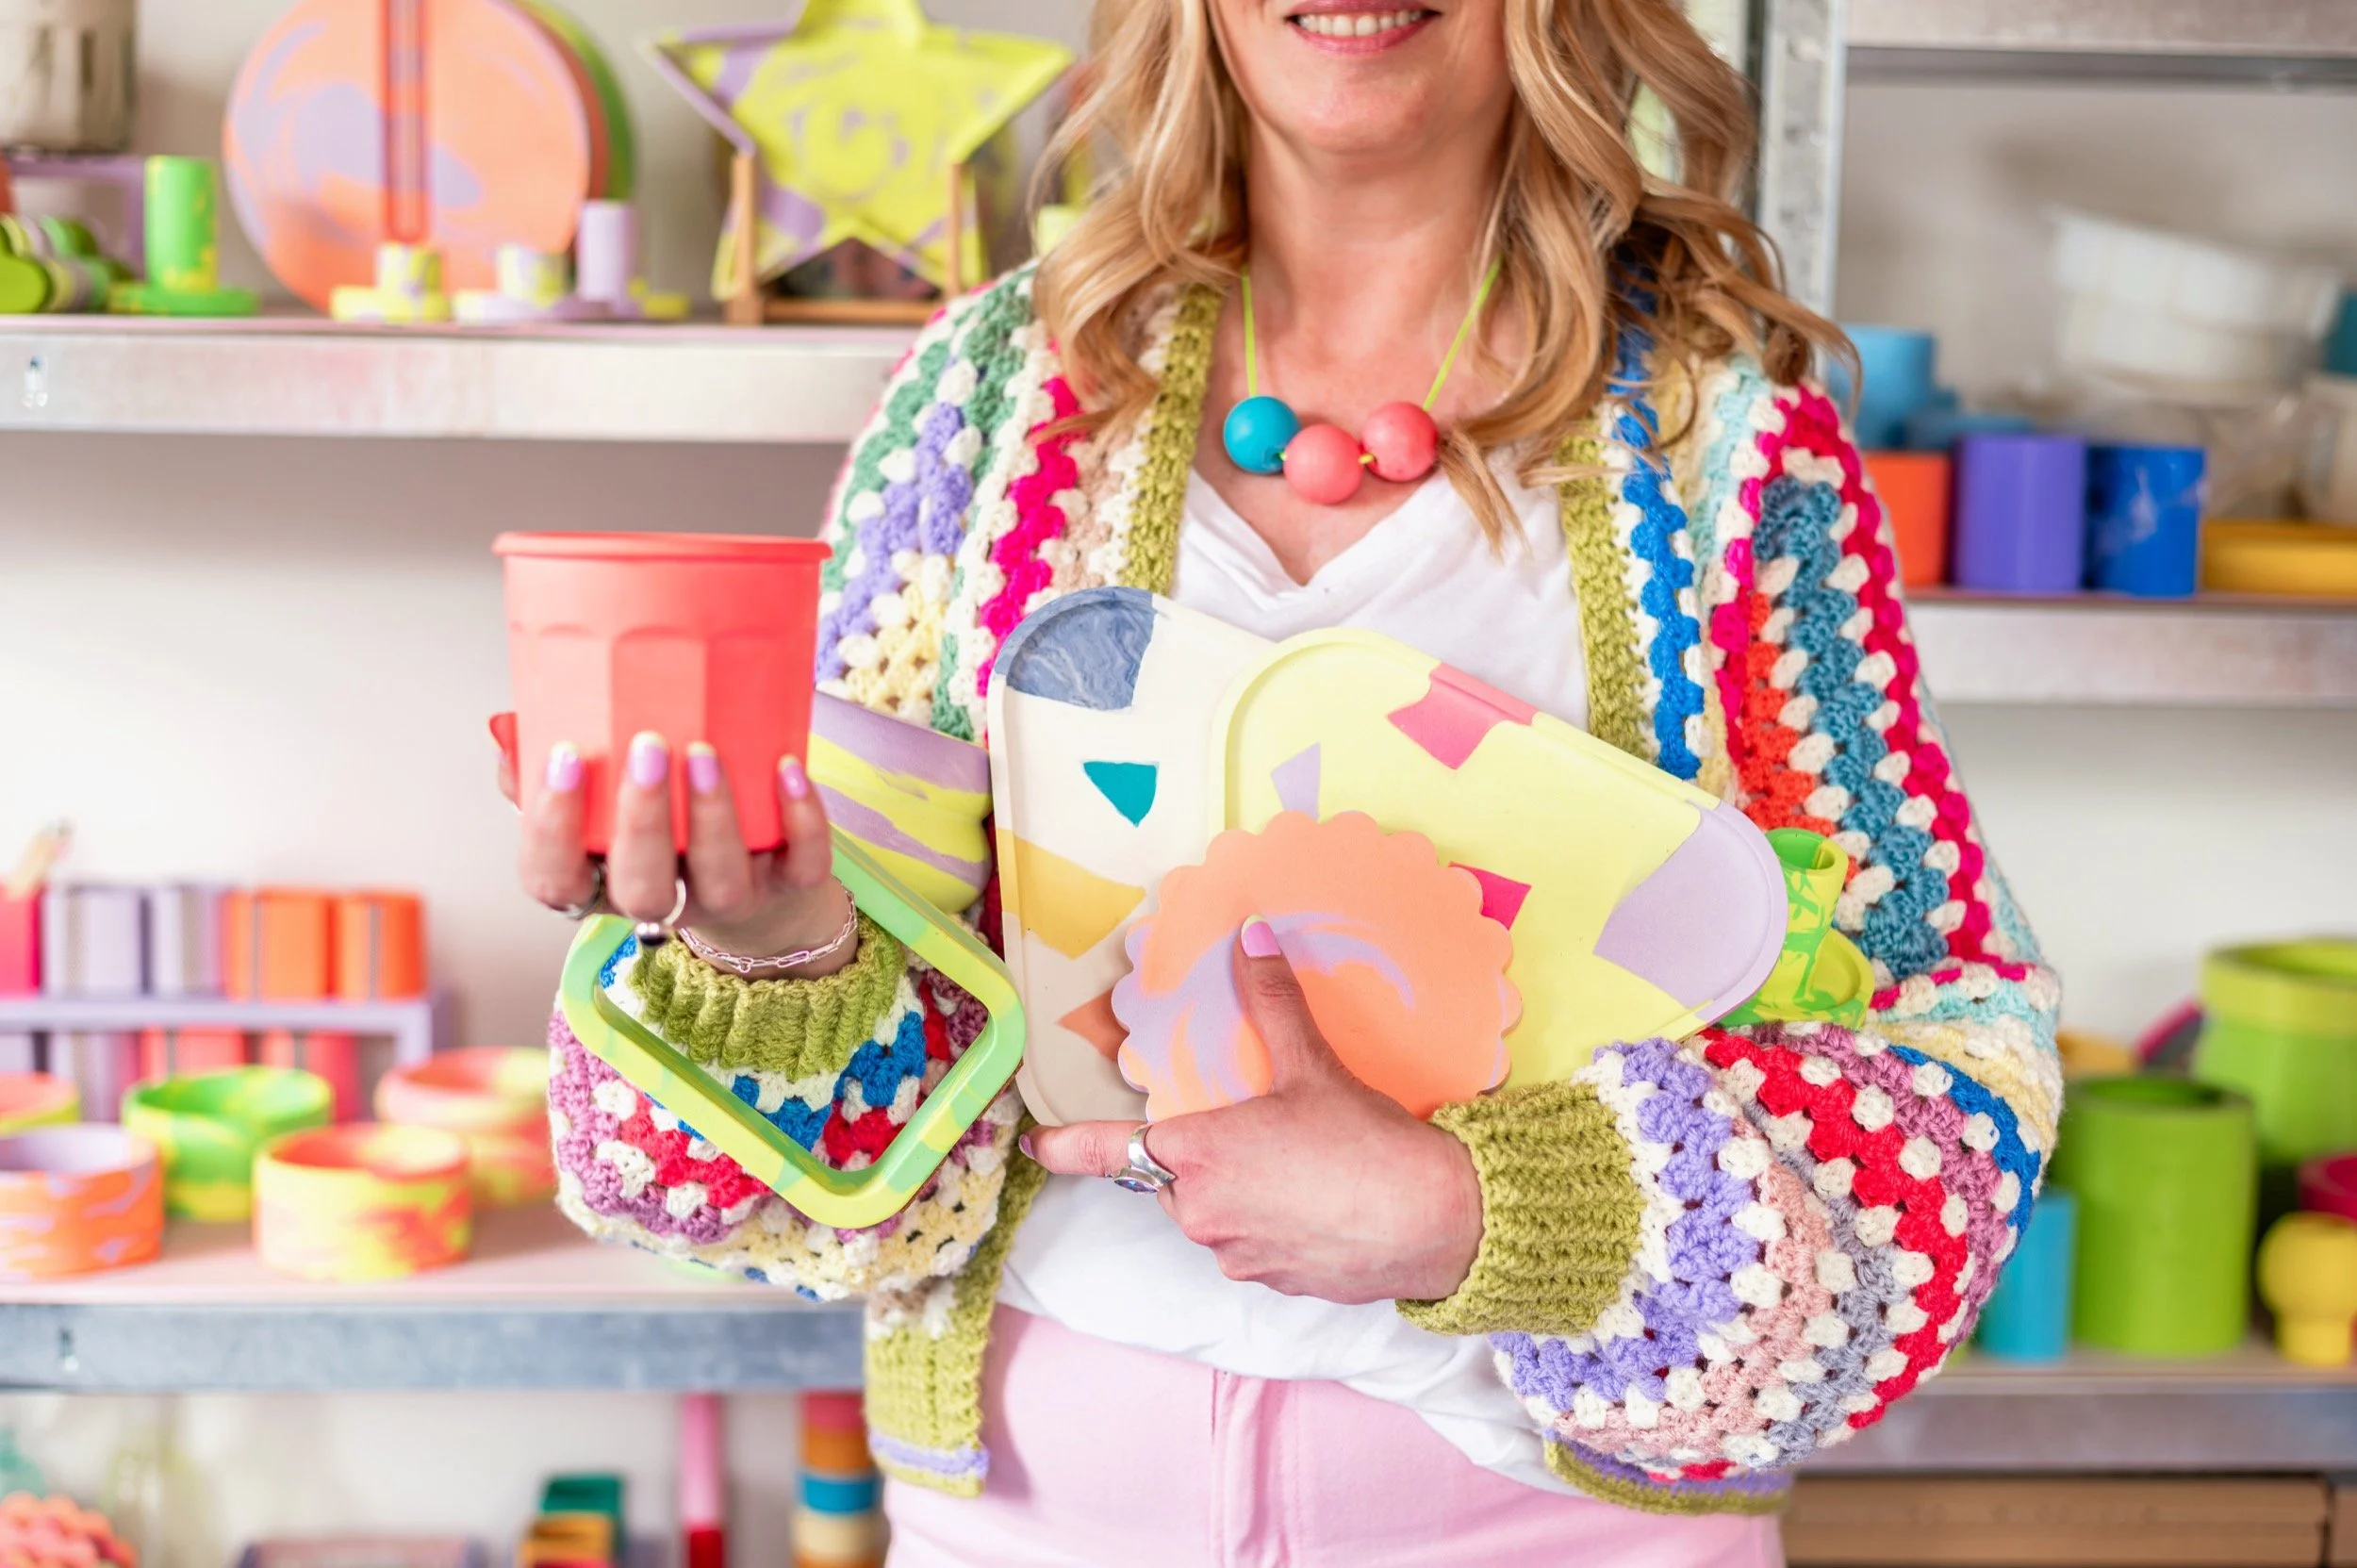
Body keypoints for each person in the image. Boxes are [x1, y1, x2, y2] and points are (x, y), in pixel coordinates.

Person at [510, 0, 2062, 1560]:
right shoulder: (988, 398)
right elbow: (833, 1106)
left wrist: (1466, 1204)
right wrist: (777, 957)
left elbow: (1953, 1056)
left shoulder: (1729, 451)